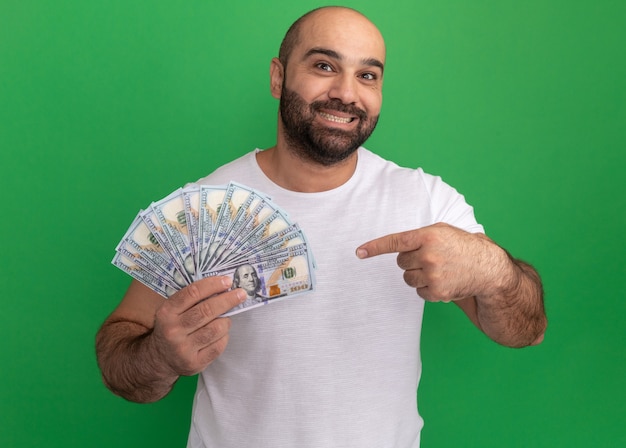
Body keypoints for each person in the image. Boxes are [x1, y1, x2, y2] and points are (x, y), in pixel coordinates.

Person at [96, 6, 547, 448]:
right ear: (278, 77)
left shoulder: (425, 200)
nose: (347, 93)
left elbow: (525, 330)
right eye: (324, 65)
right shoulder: (203, 210)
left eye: (368, 75)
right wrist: (159, 354)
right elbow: (120, 362)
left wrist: (493, 269)